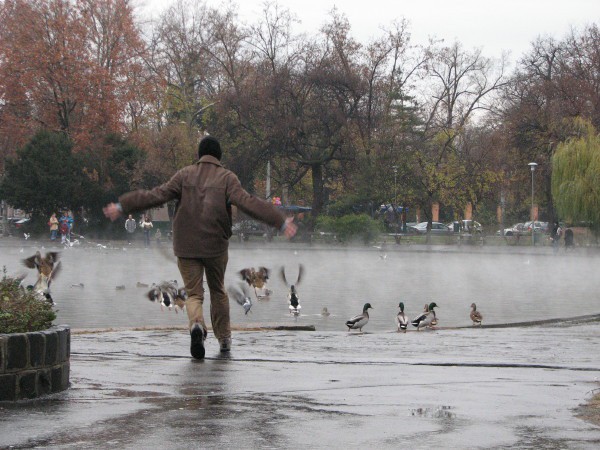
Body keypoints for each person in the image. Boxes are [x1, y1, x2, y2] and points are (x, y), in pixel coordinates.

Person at [103, 135, 297, 359]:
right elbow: (248, 202)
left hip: (186, 245)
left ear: (199, 155)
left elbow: (155, 195)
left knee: (194, 293)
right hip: (215, 245)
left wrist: (122, 205)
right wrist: (280, 221)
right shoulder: (227, 178)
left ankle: (196, 325)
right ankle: (224, 339)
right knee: (218, 291)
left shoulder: (184, 175)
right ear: (219, 157)